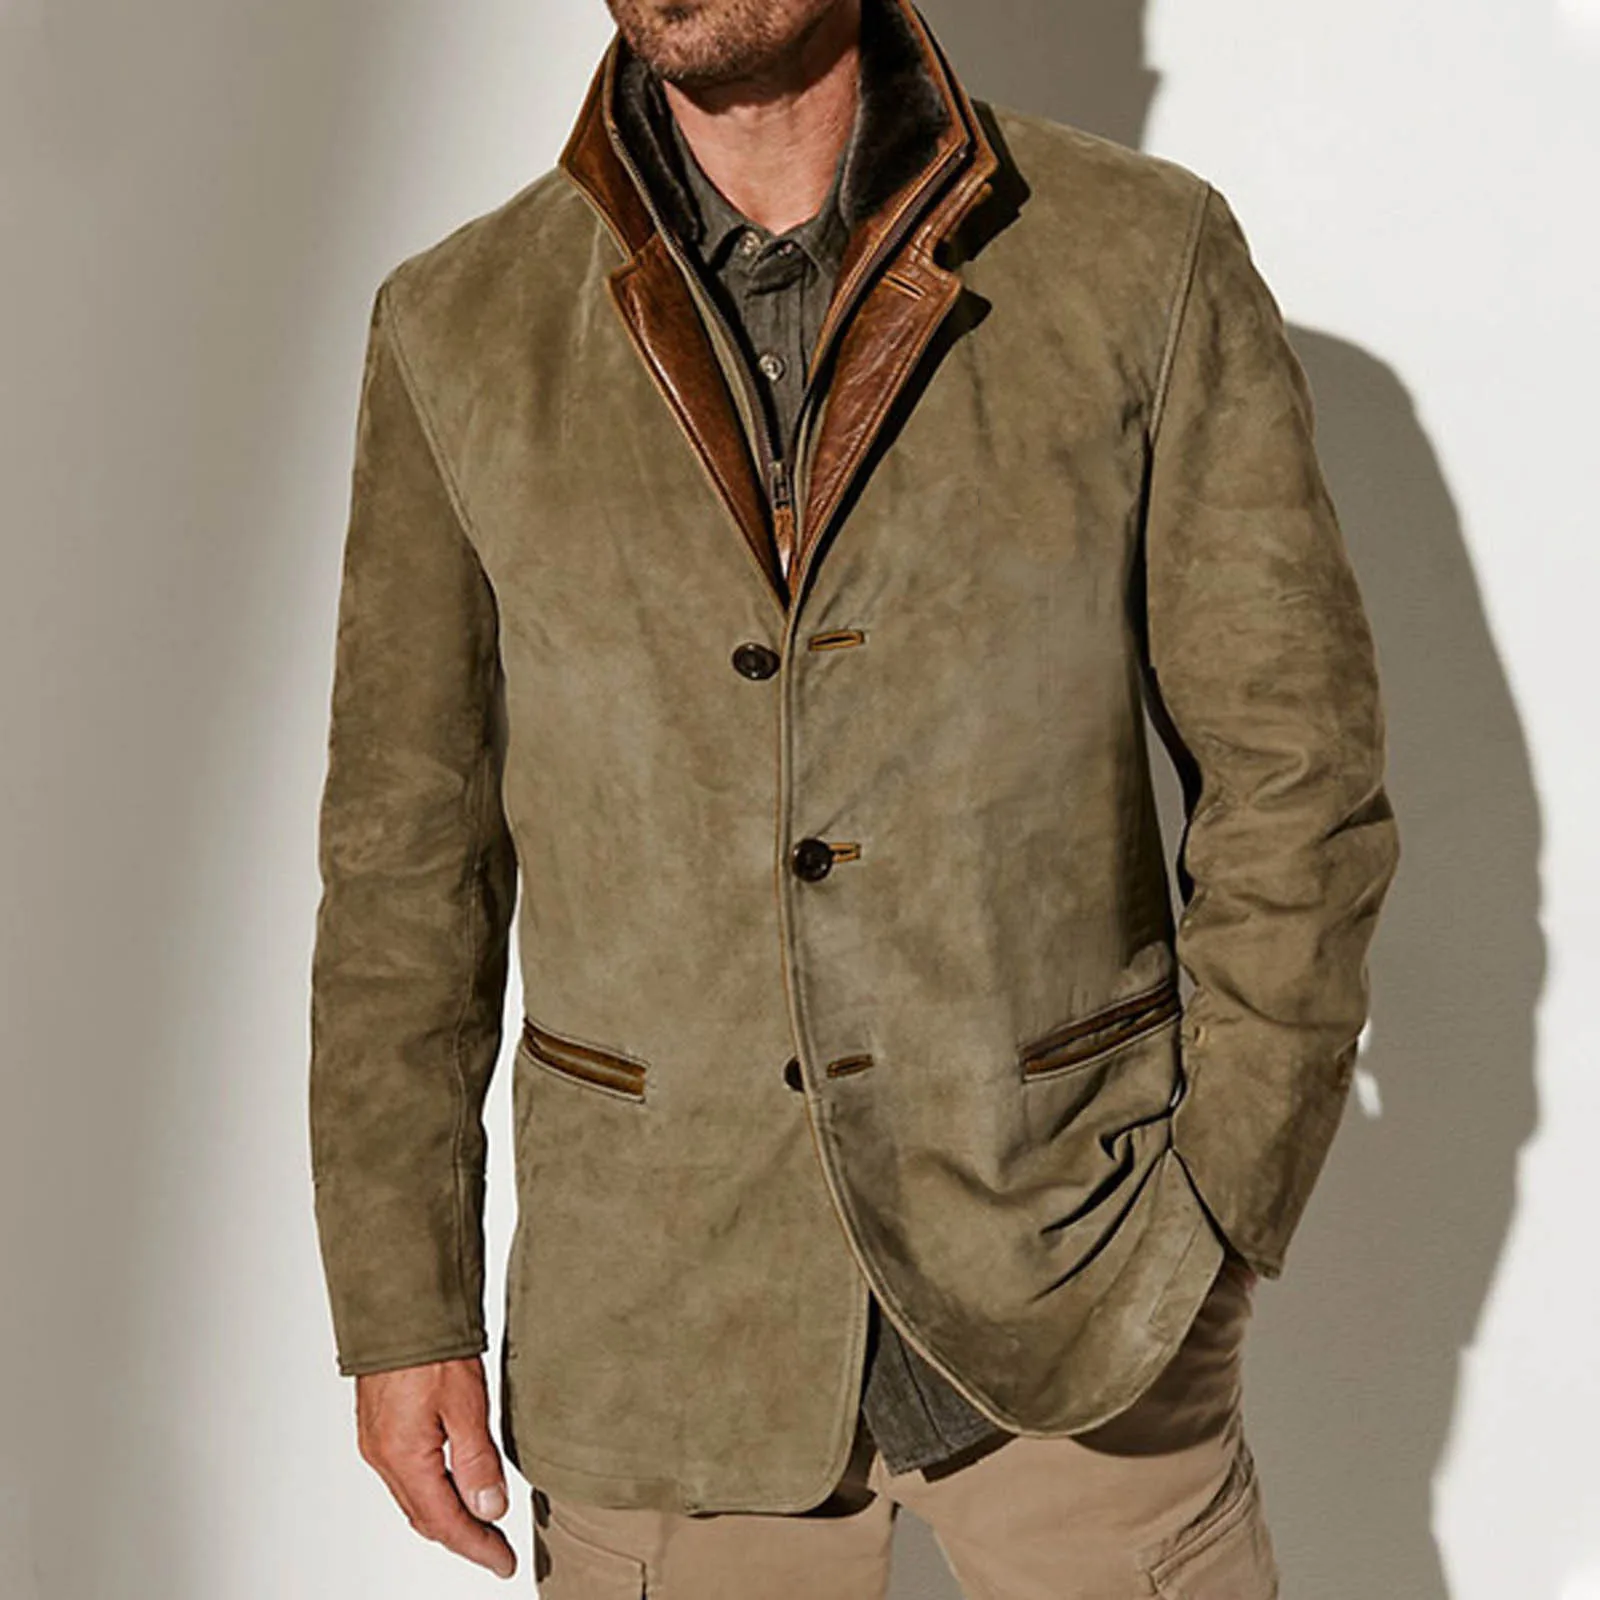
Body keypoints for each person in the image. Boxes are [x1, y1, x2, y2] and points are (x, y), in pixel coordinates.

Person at [306, 0, 1401, 1593]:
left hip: (1080, 1289)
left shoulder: (1139, 259)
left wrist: (1220, 1204)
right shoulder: (458, 324)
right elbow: (406, 866)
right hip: (660, 1330)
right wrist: (402, 1306)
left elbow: (1296, 777)